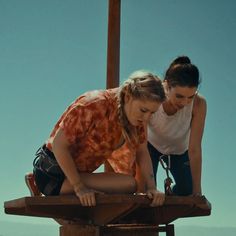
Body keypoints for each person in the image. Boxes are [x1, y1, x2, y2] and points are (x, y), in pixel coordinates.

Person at [26, 70, 166, 207]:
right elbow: (58, 145)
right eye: (143, 110)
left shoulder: (136, 119)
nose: (147, 117)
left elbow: (142, 151)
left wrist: (151, 188)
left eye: (152, 113)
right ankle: (39, 183)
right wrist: (79, 188)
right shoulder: (92, 104)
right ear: (128, 96)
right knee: (116, 192)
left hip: (80, 174)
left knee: (129, 184)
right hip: (52, 174)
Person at [147, 56, 207, 196]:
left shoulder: (199, 104)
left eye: (190, 97)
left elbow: (195, 149)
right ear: (166, 85)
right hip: (150, 146)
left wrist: (197, 192)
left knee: (188, 190)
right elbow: (141, 143)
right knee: (147, 191)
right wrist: (149, 187)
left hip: (179, 150)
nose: (185, 102)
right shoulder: (152, 95)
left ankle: (171, 194)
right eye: (179, 96)